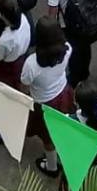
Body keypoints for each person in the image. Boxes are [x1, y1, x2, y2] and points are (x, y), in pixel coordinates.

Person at [20, 17, 72, 177]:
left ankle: (52, 167)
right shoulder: (68, 49)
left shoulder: (31, 64)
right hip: (64, 94)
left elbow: (24, 86)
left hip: (43, 104)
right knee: (62, 126)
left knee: (47, 138)